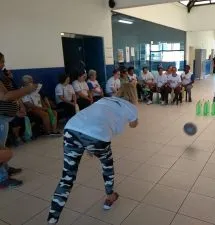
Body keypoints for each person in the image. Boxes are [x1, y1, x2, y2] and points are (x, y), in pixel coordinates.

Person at [47, 83, 138, 225]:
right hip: (97, 136)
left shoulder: (104, 99)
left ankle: (52, 219)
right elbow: (133, 125)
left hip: (72, 128)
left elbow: (93, 116)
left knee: (67, 177)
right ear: (134, 94)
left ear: (119, 91)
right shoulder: (131, 108)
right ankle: (110, 196)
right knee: (107, 166)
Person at [0, 52, 38, 189]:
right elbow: (5, 97)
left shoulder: (2, 77)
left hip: (4, 117)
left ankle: (5, 169)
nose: (3, 65)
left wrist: (17, 108)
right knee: (2, 150)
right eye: (1, 61)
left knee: (2, 147)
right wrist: (27, 90)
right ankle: (2, 178)